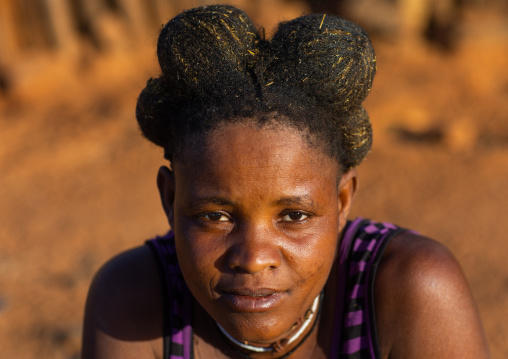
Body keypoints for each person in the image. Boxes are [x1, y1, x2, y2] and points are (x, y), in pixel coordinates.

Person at [81, 5, 489, 359]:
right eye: (216, 216)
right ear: (170, 200)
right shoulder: (133, 302)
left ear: (343, 200)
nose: (254, 257)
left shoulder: (411, 292)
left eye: (294, 215)